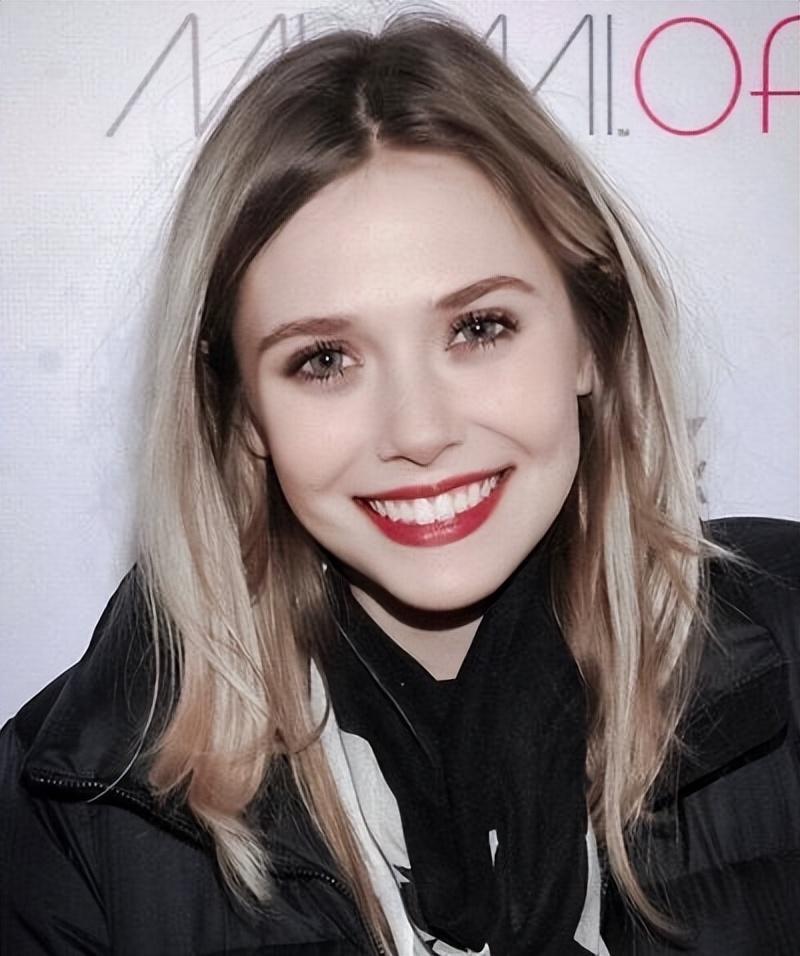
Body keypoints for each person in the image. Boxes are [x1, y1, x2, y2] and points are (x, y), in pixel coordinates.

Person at [1, 10, 798, 956]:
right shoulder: (72, 800)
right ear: (243, 413)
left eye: (479, 328)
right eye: (325, 359)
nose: (418, 432)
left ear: (591, 337)